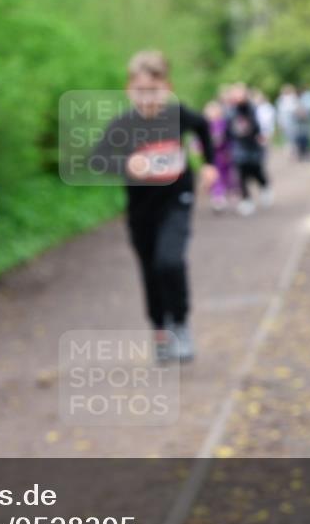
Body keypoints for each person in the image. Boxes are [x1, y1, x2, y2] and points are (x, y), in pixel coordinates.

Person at [89, 50, 217, 363]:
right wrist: (126, 163)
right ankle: (161, 331)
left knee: (169, 261)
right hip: (141, 212)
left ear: (167, 88)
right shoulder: (124, 125)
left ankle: (181, 324)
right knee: (149, 270)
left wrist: (211, 164)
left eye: (154, 91)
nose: (147, 98)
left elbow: (203, 127)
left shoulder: (178, 116)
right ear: (129, 90)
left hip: (177, 202)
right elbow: (97, 158)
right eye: (140, 91)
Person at [227, 95, 268, 216]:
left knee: (257, 172)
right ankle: (246, 200)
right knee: (242, 176)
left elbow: (258, 129)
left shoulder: (253, 111)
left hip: (253, 149)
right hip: (239, 151)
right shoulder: (231, 113)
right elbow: (228, 132)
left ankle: (264, 187)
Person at [203, 99, 234, 213]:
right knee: (215, 178)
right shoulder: (205, 125)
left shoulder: (223, 124)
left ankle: (222, 195)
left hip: (223, 155)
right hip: (211, 156)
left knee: (225, 177)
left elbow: (228, 139)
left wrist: (229, 150)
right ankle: (218, 197)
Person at [294, 85, 310, 161]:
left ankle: (305, 154)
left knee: (306, 137)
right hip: (302, 120)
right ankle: (303, 154)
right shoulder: (307, 96)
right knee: (303, 137)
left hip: (307, 120)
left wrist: (303, 113)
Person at [276, 84, 300, 156]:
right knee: (287, 136)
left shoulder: (293, 98)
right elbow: (280, 113)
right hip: (286, 120)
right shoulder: (282, 99)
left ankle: (292, 151)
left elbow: (296, 110)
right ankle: (290, 151)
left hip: (292, 120)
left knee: (292, 136)